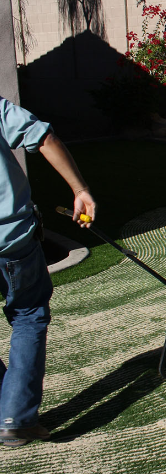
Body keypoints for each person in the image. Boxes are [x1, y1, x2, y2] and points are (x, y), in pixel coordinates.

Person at [0, 96, 97, 447]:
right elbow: (44, 138)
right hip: (11, 238)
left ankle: (8, 404)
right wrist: (80, 190)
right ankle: (16, 418)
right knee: (28, 314)